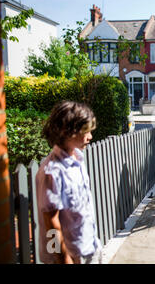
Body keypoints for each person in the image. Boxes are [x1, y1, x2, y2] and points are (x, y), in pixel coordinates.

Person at [35, 101, 102, 264]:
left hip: (88, 247)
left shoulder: (78, 159)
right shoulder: (52, 172)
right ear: (68, 131)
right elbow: (51, 224)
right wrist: (63, 259)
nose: (90, 137)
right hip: (70, 257)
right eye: (86, 131)